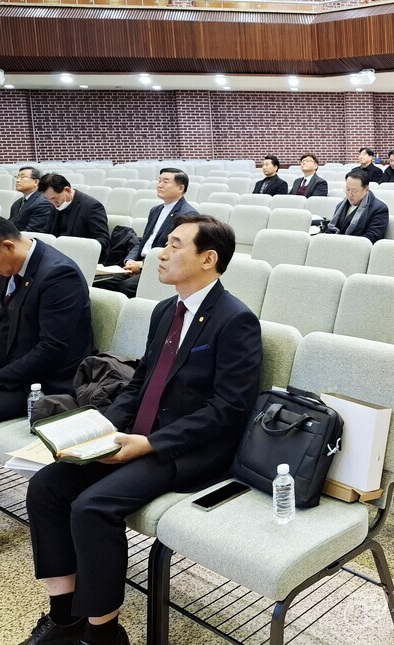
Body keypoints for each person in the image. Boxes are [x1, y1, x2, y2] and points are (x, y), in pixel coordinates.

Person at [21, 214, 262, 645]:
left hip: (187, 450)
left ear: (208, 259)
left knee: (92, 508)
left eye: (174, 245)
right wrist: (100, 427)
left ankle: (103, 633)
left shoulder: (235, 320)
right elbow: (140, 383)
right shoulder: (166, 310)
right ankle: (64, 617)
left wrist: (150, 444)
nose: (160, 254)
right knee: (46, 487)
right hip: (138, 435)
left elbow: (229, 408)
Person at [0, 211, 92, 574]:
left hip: (45, 384)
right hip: (4, 371)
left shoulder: (59, 275)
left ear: (7, 246)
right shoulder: (6, 266)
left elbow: (52, 350)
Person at [95, 168, 198, 299]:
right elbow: (144, 241)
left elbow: (177, 251)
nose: (159, 185)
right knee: (103, 280)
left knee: (126, 286)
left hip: (159, 266)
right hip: (139, 263)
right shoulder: (155, 210)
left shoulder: (187, 215)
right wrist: (131, 259)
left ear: (180, 188)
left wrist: (142, 266)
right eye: (159, 181)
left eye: (166, 182)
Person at [39, 173, 112, 264]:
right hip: (58, 256)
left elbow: (103, 240)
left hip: (82, 258)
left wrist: (77, 246)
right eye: (48, 199)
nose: (53, 203)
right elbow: (47, 231)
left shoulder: (92, 206)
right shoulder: (54, 204)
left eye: (55, 198)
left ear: (67, 190)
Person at [326, 169, 388, 243]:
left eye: (354, 191)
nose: (350, 194)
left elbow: (372, 237)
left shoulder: (379, 209)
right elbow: (331, 229)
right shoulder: (340, 206)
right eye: (347, 189)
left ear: (366, 189)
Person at [9, 166, 55, 233]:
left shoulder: (43, 203)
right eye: (17, 177)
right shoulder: (17, 203)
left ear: (36, 182)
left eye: (22, 177)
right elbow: (9, 224)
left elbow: (32, 232)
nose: (17, 180)